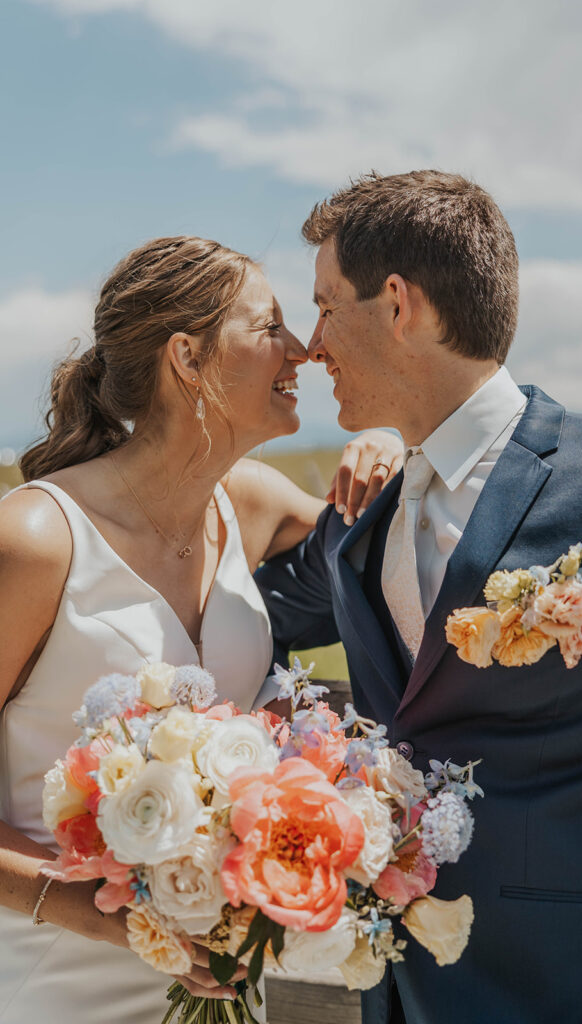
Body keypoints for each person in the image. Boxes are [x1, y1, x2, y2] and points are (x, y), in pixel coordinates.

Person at [256, 171, 582, 1024]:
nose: (310, 345)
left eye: (324, 307)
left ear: (398, 304)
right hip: (397, 995)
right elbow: (226, 613)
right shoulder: (355, 521)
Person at [0, 234, 402, 1024]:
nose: (303, 350)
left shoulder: (246, 500)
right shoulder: (34, 539)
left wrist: (388, 440)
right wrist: (90, 911)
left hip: (217, 980)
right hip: (51, 975)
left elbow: (388, 531)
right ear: (187, 356)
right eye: (271, 327)